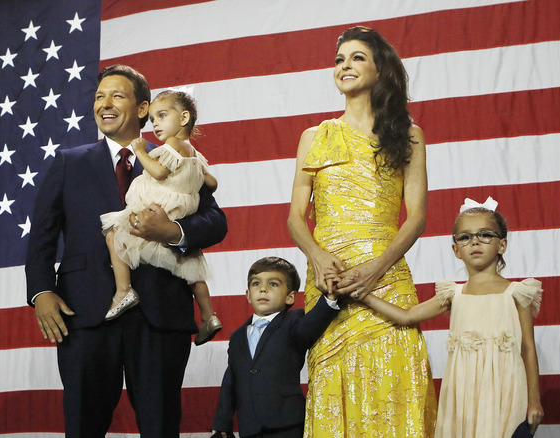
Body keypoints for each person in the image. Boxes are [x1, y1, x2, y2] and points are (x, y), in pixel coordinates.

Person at [25, 64, 227, 438]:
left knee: (160, 425)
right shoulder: (68, 161)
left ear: (143, 108)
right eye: (99, 96)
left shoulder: (175, 158)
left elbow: (217, 222)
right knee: (84, 424)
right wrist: (40, 292)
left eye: (117, 95)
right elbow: (41, 236)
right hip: (84, 312)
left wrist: (172, 230)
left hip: (161, 312)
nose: (105, 103)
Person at [287, 26, 437, 437]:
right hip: (330, 280)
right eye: (339, 60)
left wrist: (375, 268)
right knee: (335, 388)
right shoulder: (314, 137)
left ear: (380, 69)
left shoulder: (408, 135)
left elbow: (417, 217)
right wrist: (317, 258)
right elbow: (296, 218)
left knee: (396, 385)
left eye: (356, 57)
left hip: (386, 278)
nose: (344, 66)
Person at [356, 197, 545, 437]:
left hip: (506, 390)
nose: (475, 241)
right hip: (462, 392)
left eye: (485, 234)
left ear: (502, 245)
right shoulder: (453, 294)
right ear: (456, 249)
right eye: (465, 237)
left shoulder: (517, 293)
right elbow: (406, 316)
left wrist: (534, 400)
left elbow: (528, 348)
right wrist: (363, 295)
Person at [100, 89, 222, 345]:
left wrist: (142, 151)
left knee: (114, 235)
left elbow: (157, 172)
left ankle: (123, 290)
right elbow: (211, 182)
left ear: (184, 117)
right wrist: (193, 186)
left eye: (162, 116)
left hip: (160, 214)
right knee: (191, 267)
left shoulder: (172, 146)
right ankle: (209, 316)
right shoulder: (193, 153)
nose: (155, 123)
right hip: (178, 206)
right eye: (154, 118)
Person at [210, 257, 345, 438]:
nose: (263, 288)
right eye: (256, 283)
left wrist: (330, 297)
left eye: (273, 284)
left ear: (290, 297)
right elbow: (231, 380)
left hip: (287, 423)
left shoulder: (293, 321)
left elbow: (312, 325)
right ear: (248, 295)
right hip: (250, 426)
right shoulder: (237, 337)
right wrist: (222, 421)